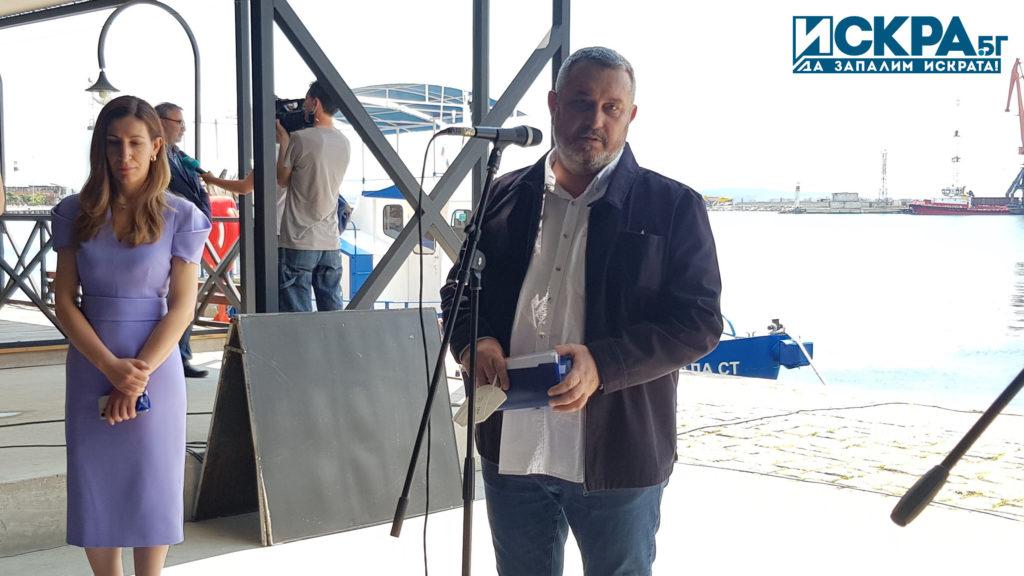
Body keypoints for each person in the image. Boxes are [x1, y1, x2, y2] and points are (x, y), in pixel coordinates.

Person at [440, 47, 723, 575]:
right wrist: (474, 341)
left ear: (631, 116)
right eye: (581, 102)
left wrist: (604, 363)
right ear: (554, 105)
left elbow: (700, 323)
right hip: (511, 448)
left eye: (611, 108)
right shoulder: (503, 195)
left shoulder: (673, 206)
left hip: (618, 456)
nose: (595, 120)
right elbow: (459, 289)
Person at [51, 95, 210, 576]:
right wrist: (111, 368)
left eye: (136, 143)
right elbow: (64, 302)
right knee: (95, 483)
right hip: (91, 361)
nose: (125, 155)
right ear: (100, 147)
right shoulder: (73, 212)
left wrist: (134, 377)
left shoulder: (182, 215)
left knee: (152, 483)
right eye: (114, 143)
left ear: (157, 146)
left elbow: (182, 307)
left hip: (155, 365)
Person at [275, 80, 351, 312]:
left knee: (297, 316)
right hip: (330, 241)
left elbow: (282, 179)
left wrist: (284, 139)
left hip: (299, 240)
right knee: (333, 313)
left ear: (316, 103)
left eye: (306, 101)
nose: (304, 107)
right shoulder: (344, 142)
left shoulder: (301, 139)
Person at [155, 102, 210, 378]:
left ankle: (182, 355)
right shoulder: (154, 157)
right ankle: (167, 356)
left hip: (189, 236)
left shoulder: (181, 156)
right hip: (165, 233)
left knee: (185, 296)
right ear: (160, 121)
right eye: (179, 122)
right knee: (168, 296)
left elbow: (200, 189)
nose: (183, 128)